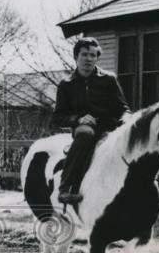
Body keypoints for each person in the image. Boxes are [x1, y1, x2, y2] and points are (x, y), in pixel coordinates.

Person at [53, 37, 130, 205]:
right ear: (76, 57)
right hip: (83, 128)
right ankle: (65, 189)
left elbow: (122, 108)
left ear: (97, 58)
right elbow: (58, 116)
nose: (88, 59)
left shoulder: (109, 79)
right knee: (86, 135)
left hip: (108, 128)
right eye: (84, 54)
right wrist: (78, 119)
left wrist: (126, 119)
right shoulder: (66, 84)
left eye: (93, 55)